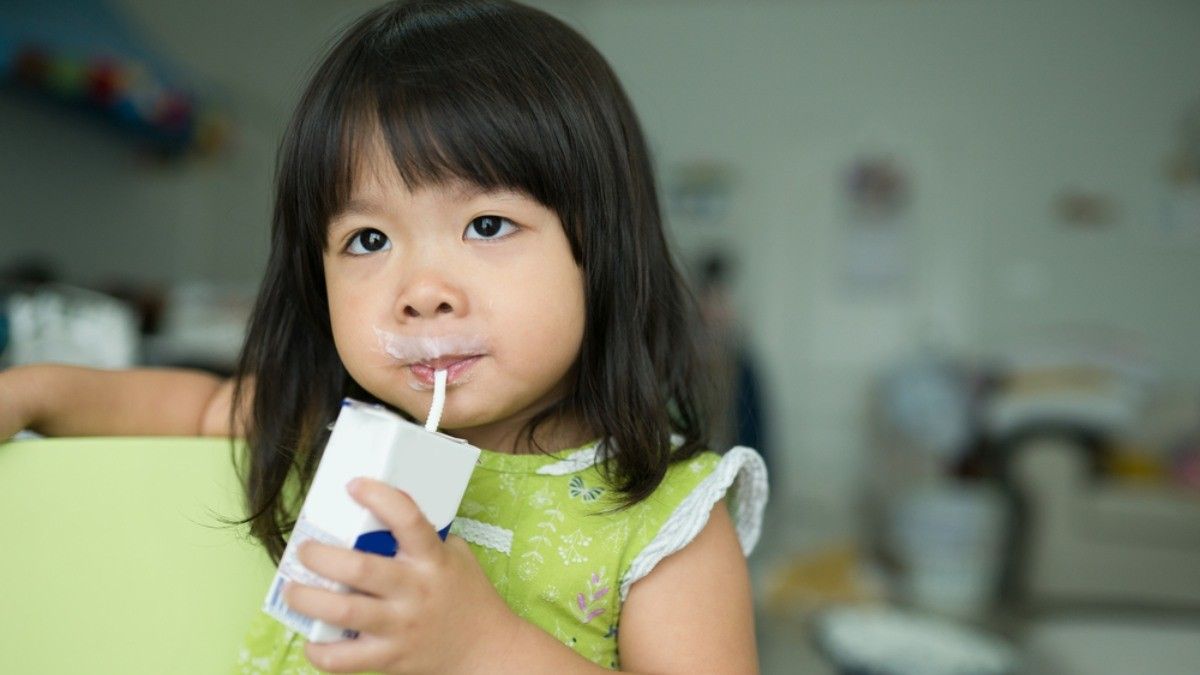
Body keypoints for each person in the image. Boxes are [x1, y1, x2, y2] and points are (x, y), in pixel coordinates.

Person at [0, 1, 768, 672]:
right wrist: (38, 390)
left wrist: (482, 650)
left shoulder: (668, 518)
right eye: (368, 240)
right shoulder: (342, 434)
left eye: (487, 224)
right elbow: (196, 406)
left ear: (599, 249)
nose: (422, 293)